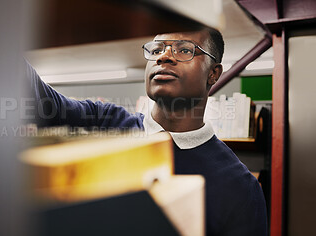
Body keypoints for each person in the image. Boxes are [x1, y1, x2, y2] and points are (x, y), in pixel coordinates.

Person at [25, 27, 268, 235]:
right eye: (156, 49)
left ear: (213, 74)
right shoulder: (106, 124)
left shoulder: (240, 188)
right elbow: (45, 103)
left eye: (184, 50)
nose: (164, 57)